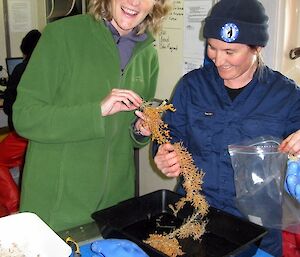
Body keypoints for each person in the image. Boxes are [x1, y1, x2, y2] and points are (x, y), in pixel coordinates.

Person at [151, 0, 300, 256]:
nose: (219, 60)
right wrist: (162, 153)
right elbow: (168, 135)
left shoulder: (285, 95)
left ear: (257, 48)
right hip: (195, 217)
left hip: (257, 228)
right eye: (212, 47)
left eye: (230, 52)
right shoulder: (192, 86)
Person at [12, 0, 171, 232]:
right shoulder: (62, 35)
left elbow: (130, 134)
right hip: (57, 207)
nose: (134, 2)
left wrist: (140, 130)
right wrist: (96, 111)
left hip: (114, 207)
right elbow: (25, 117)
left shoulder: (148, 56)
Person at [0, 29, 41, 215]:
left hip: (24, 135)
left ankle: (15, 209)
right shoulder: (51, 67)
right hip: (44, 135)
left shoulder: (21, 68)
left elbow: (9, 107)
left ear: (25, 51)